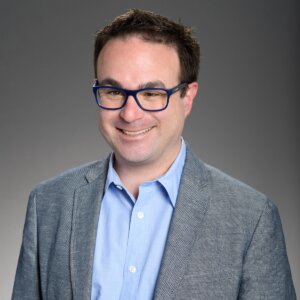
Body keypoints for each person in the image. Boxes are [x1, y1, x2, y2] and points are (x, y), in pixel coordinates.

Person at [12, 8, 296, 300]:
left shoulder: (251, 219)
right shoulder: (48, 204)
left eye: (151, 94)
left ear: (188, 98)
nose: (130, 113)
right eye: (113, 91)